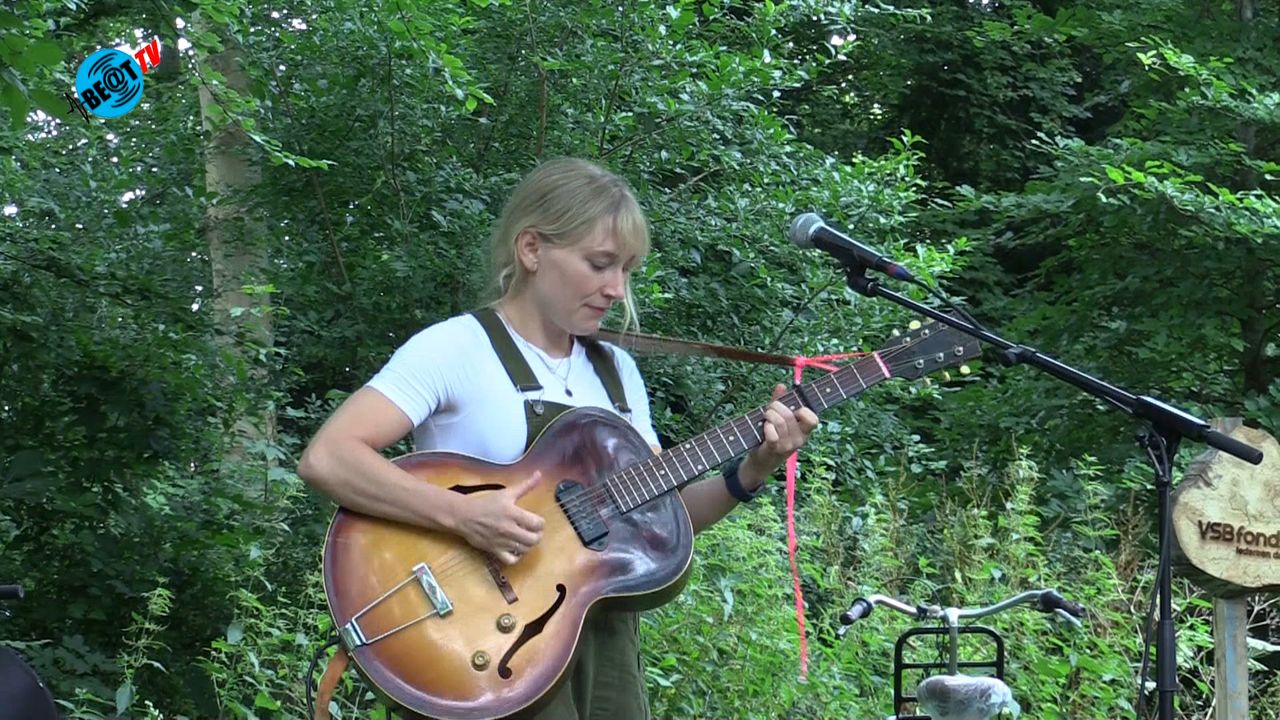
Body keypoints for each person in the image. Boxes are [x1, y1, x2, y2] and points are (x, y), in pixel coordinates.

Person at [297, 157, 820, 719]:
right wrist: (460, 514)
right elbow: (330, 457)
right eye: (600, 264)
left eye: (626, 270)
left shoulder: (617, 372)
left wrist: (756, 466)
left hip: (599, 640)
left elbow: (658, 517)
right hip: (481, 642)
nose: (616, 289)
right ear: (531, 250)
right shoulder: (455, 349)